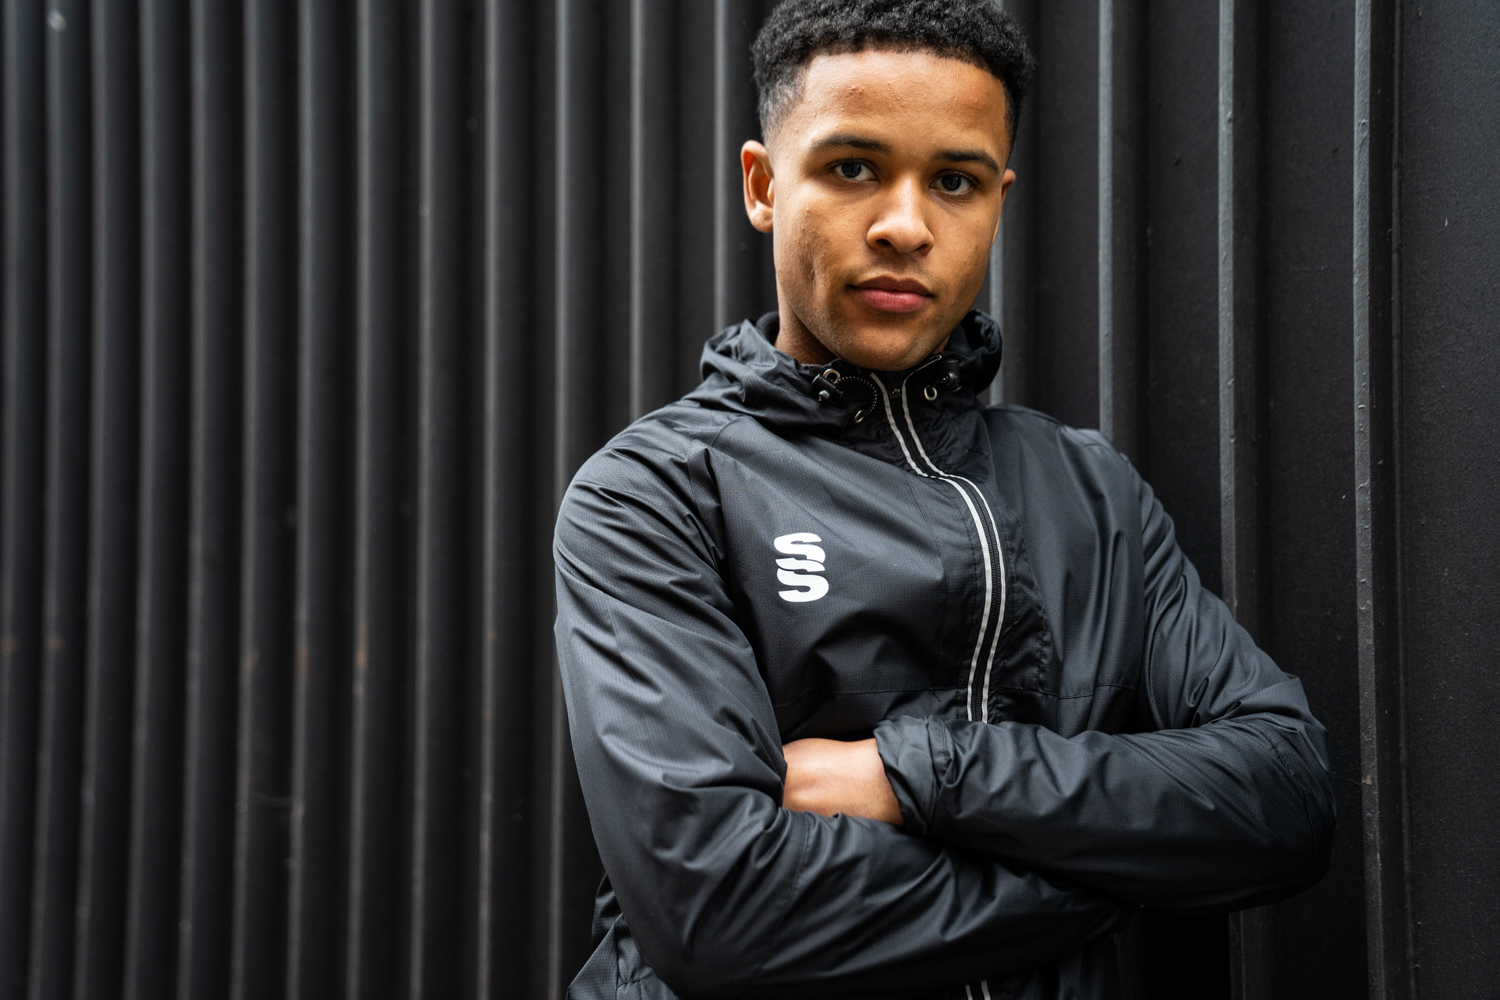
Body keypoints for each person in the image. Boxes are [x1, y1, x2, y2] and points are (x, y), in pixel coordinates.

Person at [553, 1, 1336, 997]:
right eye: (852, 168)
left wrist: (915, 772)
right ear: (763, 185)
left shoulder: (1091, 493)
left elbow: (1285, 793)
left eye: (954, 181)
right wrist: (1129, 861)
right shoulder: (657, 493)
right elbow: (721, 911)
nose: (905, 226)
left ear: (998, 200)